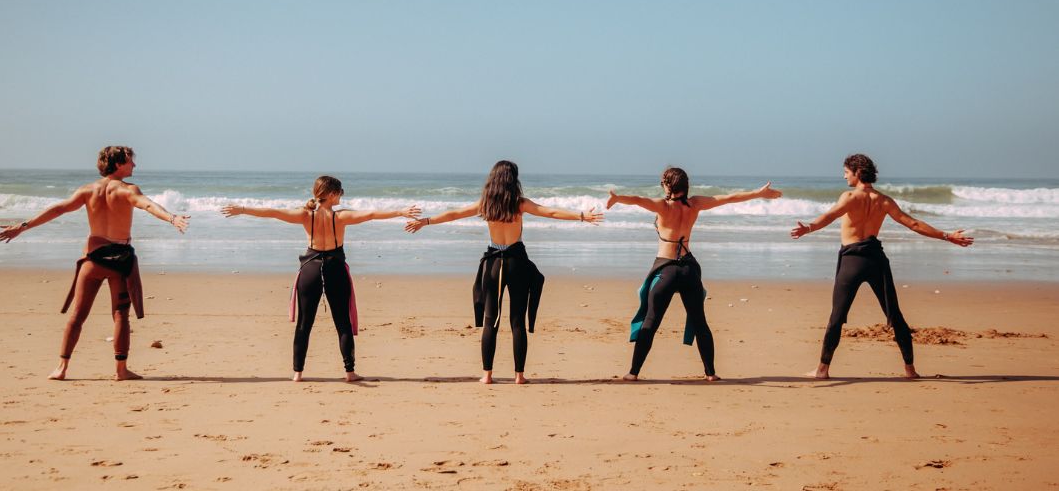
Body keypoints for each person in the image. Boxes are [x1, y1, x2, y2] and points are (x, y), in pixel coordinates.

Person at [0, 146, 189, 381]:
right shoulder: (128, 190)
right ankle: (121, 370)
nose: (134, 165)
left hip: (93, 260)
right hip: (119, 261)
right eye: (131, 161)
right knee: (120, 315)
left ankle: (61, 368)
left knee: (77, 315)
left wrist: (23, 226)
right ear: (119, 164)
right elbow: (147, 205)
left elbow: (59, 209)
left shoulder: (88, 190)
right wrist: (171, 218)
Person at [405, 160, 603, 384]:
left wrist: (425, 221)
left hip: (493, 265)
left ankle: (487, 375)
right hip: (516, 262)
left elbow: (454, 214)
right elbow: (551, 212)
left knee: (491, 321)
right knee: (517, 321)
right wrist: (582, 216)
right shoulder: (519, 203)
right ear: (513, 180)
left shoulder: (486, 204)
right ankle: (519, 376)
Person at [791, 154, 973, 379]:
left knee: (837, 317)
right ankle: (910, 370)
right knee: (894, 314)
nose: (844, 176)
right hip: (876, 259)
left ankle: (822, 370)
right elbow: (913, 224)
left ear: (858, 172)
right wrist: (946, 236)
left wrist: (808, 228)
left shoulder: (849, 197)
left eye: (846, 172)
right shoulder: (884, 201)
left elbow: (830, 216)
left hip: (852, 260)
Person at [221, 176, 418, 382]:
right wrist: (400, 212)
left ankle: (297, 373)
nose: (341, 196)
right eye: (340, 192)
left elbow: (273, 212)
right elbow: (371, 215)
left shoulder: (305, 214)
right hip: (335, 268)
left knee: (304, 324)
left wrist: (242, 209)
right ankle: (349, 373)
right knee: (343, 322)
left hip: (310, 269)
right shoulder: (341, 216)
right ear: (332, 194)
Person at [608, 168, 782, 382]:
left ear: (668, 185)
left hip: (666, 270)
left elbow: (637, 200)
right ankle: (711, 373)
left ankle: (633, 372)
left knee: (650, 322)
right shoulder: (695, 204)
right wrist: (758, 193)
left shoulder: (663, 206)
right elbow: (728, 198)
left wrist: (618, 198)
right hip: (689, 270)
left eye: (663, 182)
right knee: (700, 323)